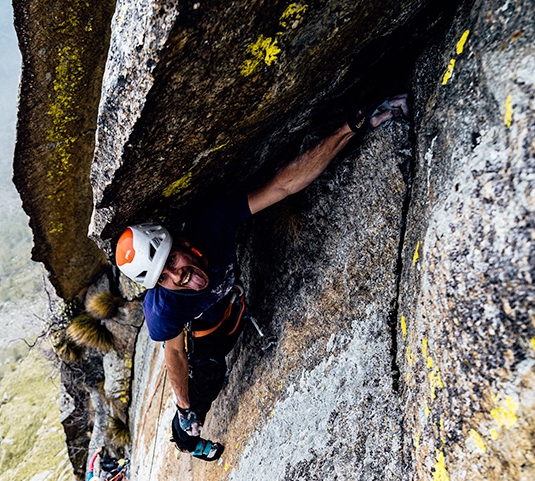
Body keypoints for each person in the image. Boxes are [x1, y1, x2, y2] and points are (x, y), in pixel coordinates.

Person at [115, 96, 408, 461]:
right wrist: (183, 405)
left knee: (213, 367)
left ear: (183, 241)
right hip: (207, 325)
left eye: (173, 258)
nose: (179, 274)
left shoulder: (212, 224)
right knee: (207, 381)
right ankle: (186, 439)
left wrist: (354, 125)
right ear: (157, 287)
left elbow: (281, 186)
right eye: (165, 276)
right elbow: (174, 352)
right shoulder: (164, 307)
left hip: (224, 308)